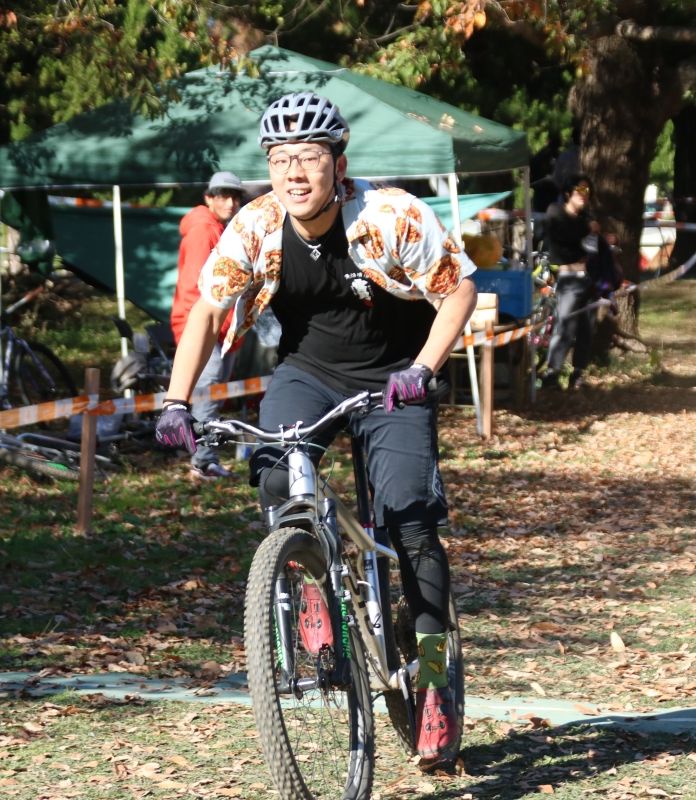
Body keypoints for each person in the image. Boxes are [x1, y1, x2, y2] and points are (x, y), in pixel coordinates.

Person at [154, 92, 477, 771]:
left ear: (339, 161)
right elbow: (210, 312)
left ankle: (436, 680)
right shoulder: (256, 227)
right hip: (310, 373)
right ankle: (307, 583)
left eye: (307, 157)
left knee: (412, 527)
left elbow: (458, 291)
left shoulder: (389, 216)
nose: (293, 172)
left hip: (395, 379)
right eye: (279, 160)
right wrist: (176, 399)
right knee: (276, 473)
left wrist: (424, 367)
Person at [170, 171, 245, 479]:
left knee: (211, 395)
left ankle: (204, 458)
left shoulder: (218, 228)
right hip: (204, 329)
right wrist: (204, 330)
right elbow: (193, 289)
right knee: (206, 395)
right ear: (209, 198)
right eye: (223, 195)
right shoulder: (203, 230)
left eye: (235, 196)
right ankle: (203, 462)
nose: (231, 202)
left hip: (220, 329)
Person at [541, 174, 615, 390]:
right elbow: (564, 234)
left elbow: (592, 247)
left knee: (586, 329)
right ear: (567, 193)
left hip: (588, 281)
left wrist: (607, 241)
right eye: (579, 191)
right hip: (568, 280)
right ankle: (551, 374)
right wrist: (589, 229)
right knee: (565, 326)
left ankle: (578, 375)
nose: (584, 195)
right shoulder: (555, 212)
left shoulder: (586, 219)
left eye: (587, 192)